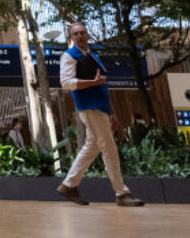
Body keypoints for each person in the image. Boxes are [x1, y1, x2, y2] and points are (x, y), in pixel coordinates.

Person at [56, 21, 144, 207]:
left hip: (101, 107)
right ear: (71, 38)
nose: (80, 36)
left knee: (92, 147)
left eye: (82, 32)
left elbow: (102, 84)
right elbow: (66, 83)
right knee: (109, 149)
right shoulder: (69, 56)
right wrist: (92, 83)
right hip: (89, 107)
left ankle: (68, 185)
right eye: (75, 34)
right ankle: (121, 193)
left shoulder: (94, 56)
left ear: (87, 35)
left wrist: (112, 112)